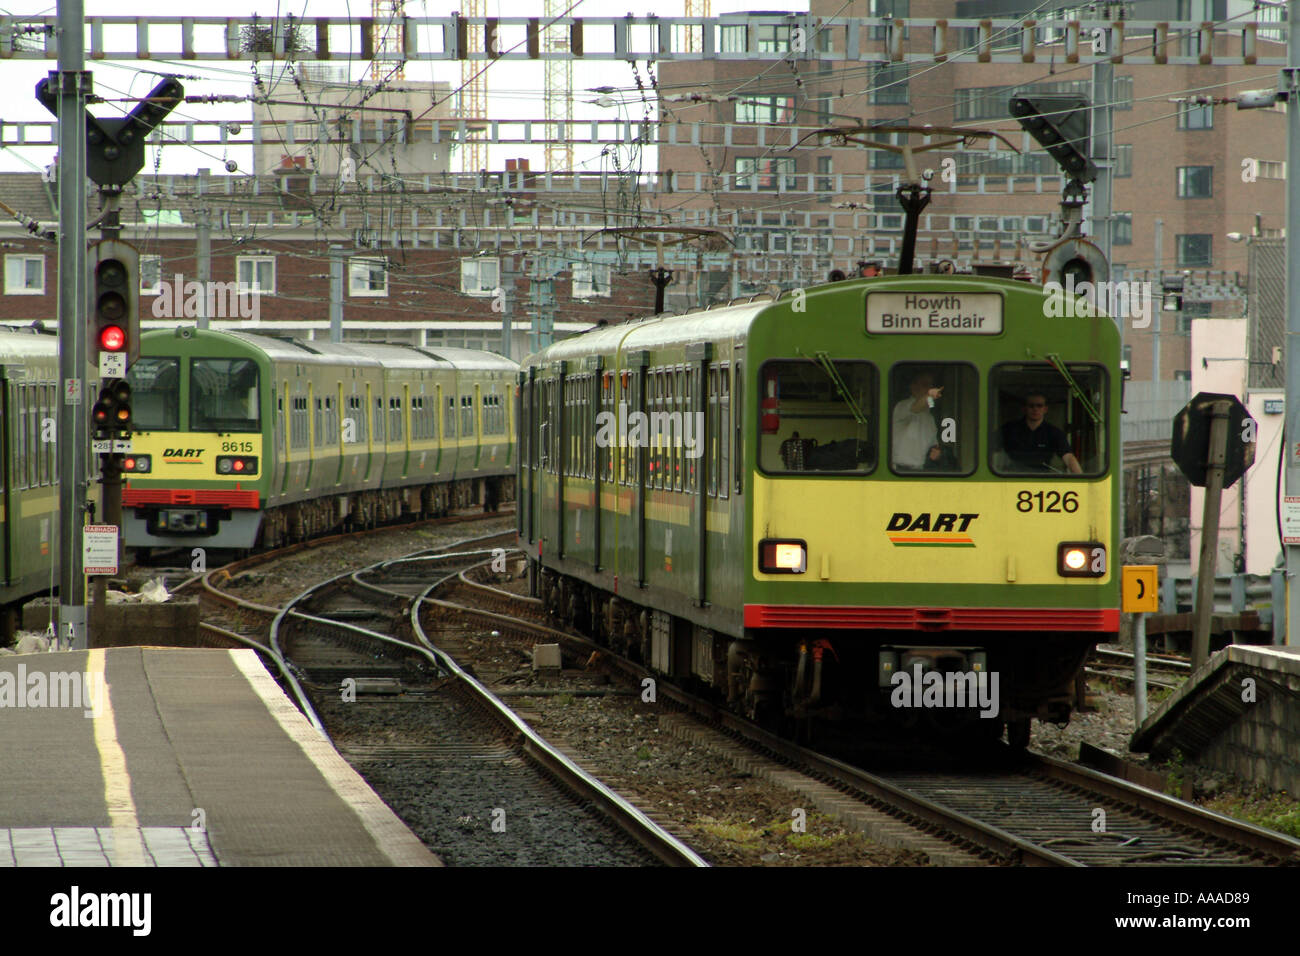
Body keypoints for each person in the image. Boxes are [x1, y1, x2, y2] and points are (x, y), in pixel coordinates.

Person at [1001, 392, 1082, 473]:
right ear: (1024, 409)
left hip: (1042, 480)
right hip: (1012, 478)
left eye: (1039, 405)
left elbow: (1068, 457)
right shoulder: (1009, 429)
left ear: (1045, 409)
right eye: (1031, 406)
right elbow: (991, 447)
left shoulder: (1054, 432)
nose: (1035, 409)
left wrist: (1080, 479)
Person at [892, 370, 943, 470]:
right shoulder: (902, 406)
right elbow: (915, 408)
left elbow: (934, 445)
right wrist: (930, 395)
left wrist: (937, 453)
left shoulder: (930, 418)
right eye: (925, 385)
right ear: (913, 387)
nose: (929, 388)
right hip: (898, 470)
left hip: (919, 471)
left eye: (930, 386)